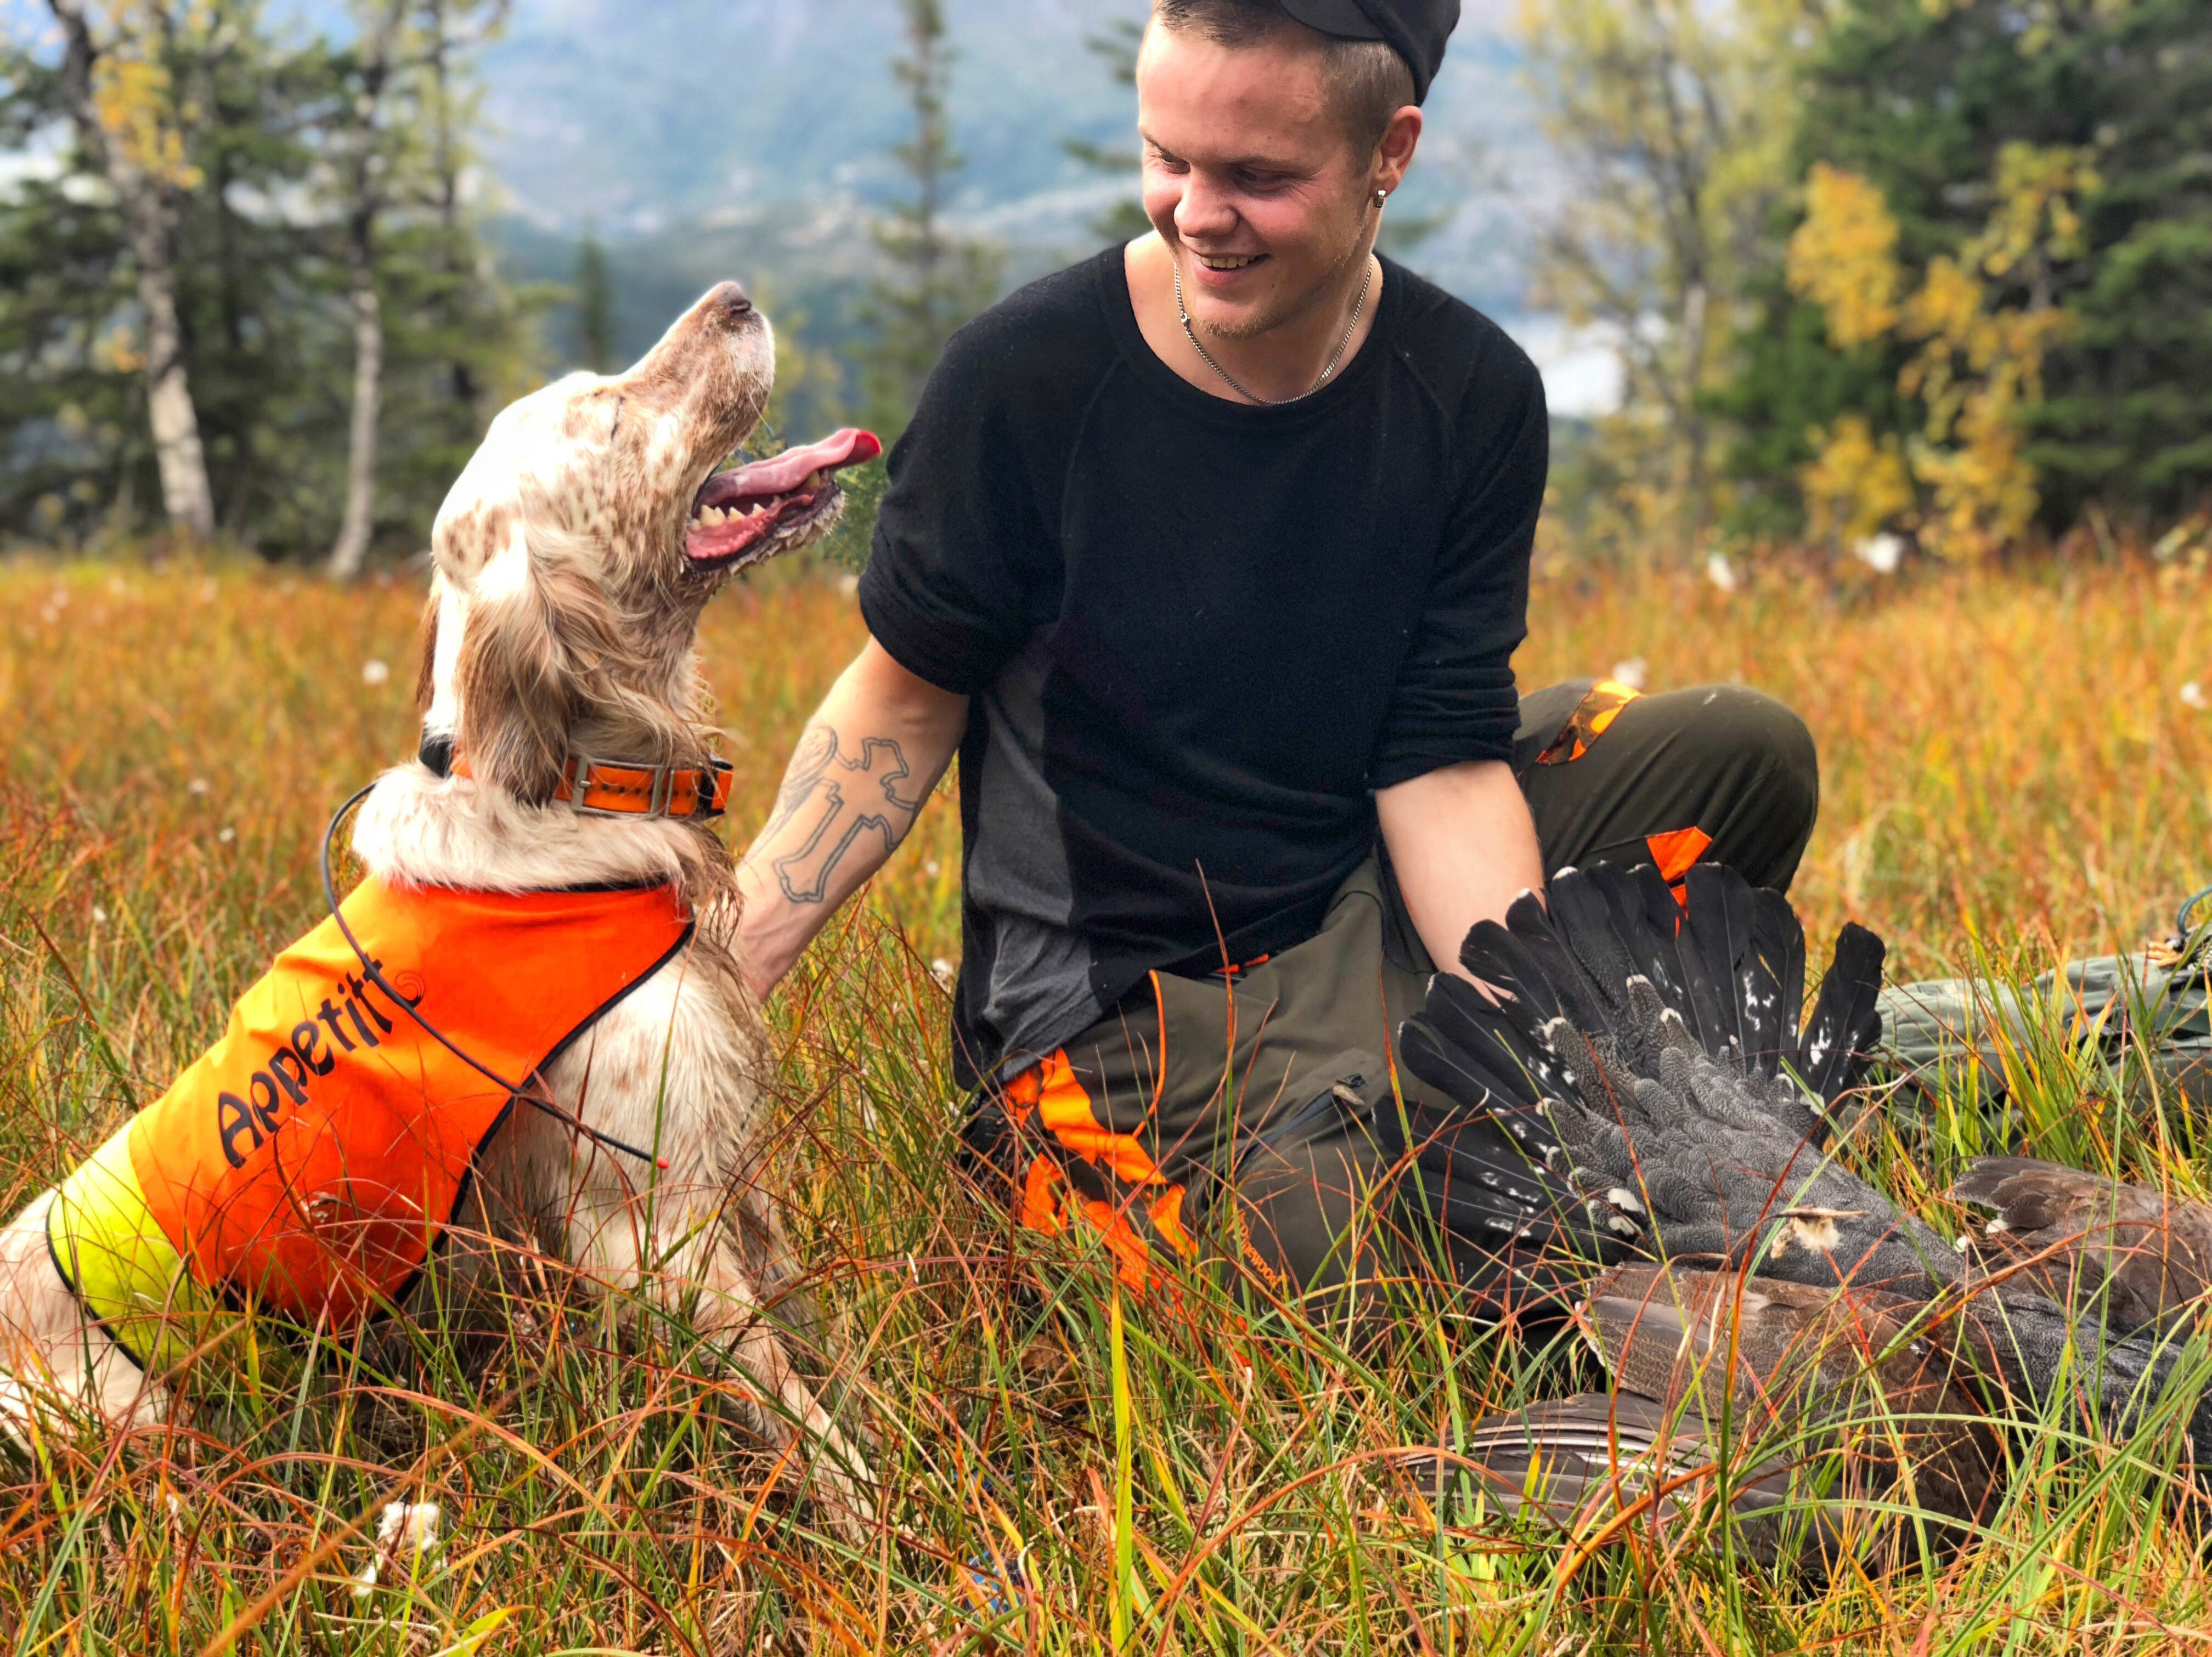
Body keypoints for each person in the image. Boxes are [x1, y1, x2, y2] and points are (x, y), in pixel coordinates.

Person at [736, 0, 1820, 1304]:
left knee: (1743, 753)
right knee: (1345, 1258)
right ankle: (1448, 1163)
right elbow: (901, 706)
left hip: (1358, 909)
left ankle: (1504, 1111)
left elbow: (1441, 762)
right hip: (1124, 1021)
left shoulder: (1470, 394)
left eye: (1257, 176)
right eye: (1167, 159)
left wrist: (1533, 1036)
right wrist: (714, 988)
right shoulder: (1027, 378)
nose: (1196, 212)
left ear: (1390, 152)